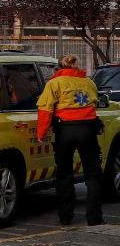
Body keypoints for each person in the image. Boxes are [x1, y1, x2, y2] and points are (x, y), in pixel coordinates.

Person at [37, 54, 103, 226]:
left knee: (64, 173)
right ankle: (94, 218)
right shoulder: (88, 82)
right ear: (75, 66)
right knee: (93, 174)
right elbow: (95, 101)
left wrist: (41, 134)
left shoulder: (54, 83)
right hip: (88, 130)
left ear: (60, 67)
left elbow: (45, 110)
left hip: (65, 131)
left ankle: (66, 216)